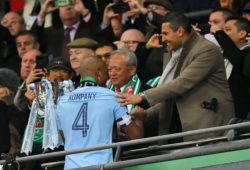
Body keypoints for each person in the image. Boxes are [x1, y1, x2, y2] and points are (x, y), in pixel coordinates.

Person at [117, 12, 235, 142]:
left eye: (166, 34)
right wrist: (146, 115)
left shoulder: (206, 49)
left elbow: (181, 84)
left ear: (180, 31)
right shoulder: (175, 54)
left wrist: (141, 96)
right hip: (183, 127)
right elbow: (170, 97)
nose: (163, 39)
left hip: (209, 125)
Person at [56, 56, 143, 169]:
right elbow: (135, 136)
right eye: (106, 73)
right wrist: (140, 120)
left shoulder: (62, 101)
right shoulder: (111, 96)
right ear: (98, 74)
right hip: (101, 166)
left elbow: (65, 138)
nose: (108, 78)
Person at [212, 17, 250, 119]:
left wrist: (219, 34)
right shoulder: (222, 54)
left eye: (227, 30)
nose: (224, 33)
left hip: (242, 113)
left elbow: (238, 60)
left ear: (242, 34)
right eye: (223, 30)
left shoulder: (246, 52)